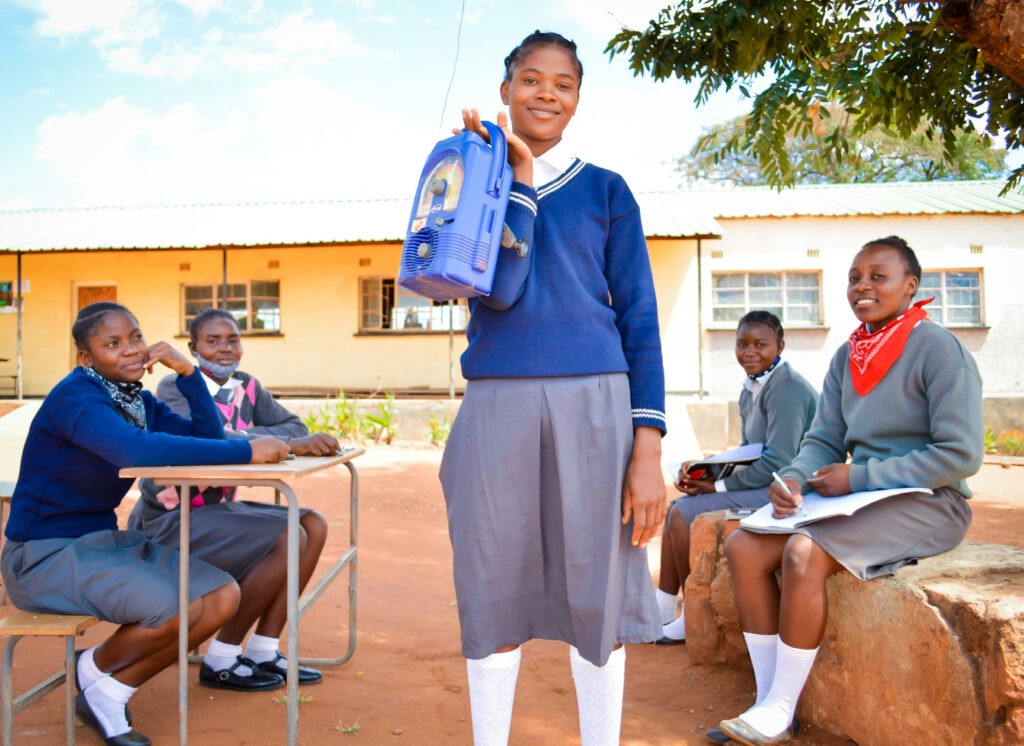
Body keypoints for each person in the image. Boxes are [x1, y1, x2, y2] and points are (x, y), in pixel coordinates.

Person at [438, 30, 667, 746]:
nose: (545, 94)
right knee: (490, 586)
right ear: (505, 89)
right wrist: (516, 181)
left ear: (577, 97)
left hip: (597, 402)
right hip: (498, 402)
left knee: (597, 591)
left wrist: (648, 450)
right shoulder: (469, 179)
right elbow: (500, 292)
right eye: (530, 80)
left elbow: (640, 316)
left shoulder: (607, 190)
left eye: (562, 83)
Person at [717, 236, 983, 746]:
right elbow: (823, 439)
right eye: (854, 277)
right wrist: (791, 478)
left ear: (910, 286)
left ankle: (778, 708)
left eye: (878, 276)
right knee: (744, 546)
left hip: (932, 502)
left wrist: (858, 477)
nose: (862, 286)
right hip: (866, 499)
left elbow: (960, 455)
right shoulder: (849, 353)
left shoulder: (938, 349)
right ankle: (769, 699)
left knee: (802, 552)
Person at [0, 302, 290, 746]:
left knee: (220, 596)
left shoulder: (136, 400)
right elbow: (137, 451)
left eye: (135, 337)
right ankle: (97, 673)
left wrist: (190, 376)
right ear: (87, 357)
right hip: (43, 555)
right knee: (176, 605)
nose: (131, 350)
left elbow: (208, 440)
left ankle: (105, 681)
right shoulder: (76, 397)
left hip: (104, 543)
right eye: (112, 344)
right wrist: (247, 450)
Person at [128, 308, 337, 689]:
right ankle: (222, 656)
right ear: (193, 348)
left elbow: (295, 426)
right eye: (213, 340)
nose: (225, 349)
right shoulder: (175, 389)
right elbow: (207, 442)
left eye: (233, 340)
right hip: (171, 519)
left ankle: (263, 648)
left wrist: (250, 434)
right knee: (285, 535)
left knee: (313, 524)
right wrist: (263, 441)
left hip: (218, 512)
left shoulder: (247, 387)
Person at [655, 311, 817, 647]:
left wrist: (717, 486)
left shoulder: (786, 388)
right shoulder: (751, 387)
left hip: (791, 492)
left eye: (761, 344)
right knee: (675, 508)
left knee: (684, 515)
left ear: (780, 346)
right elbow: (749, 450)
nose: (750, 352)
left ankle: (690, 617)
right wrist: (706, 467)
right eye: (742, 344)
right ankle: (660, 613)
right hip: (766, 482)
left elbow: (779, 461)